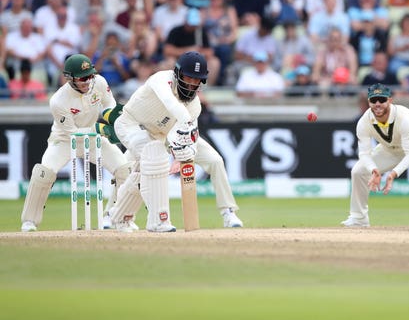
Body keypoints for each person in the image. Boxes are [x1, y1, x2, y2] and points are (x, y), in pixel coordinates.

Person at [108, 51, 243, 232]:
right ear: (178, 73)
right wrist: (185, 125)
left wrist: (182, 156)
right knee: (146, 164)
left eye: (197, 80)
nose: (191, 84)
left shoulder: (195, 105)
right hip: (133, 126)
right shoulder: (161, 80)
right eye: (189, 78)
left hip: (164, 135)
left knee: (215, 160)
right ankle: (147, 219)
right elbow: (170, 104)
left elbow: (189, 137)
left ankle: (228, 213)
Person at [20, 54, 131, 232]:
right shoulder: (58, 100)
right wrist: (101, 129)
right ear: (70, 79)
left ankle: (114, 217)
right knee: (43, 173)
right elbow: (72, 133)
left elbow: (109, 105)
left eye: (90, 76)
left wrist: (115, 121)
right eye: (82, 78)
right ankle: (29, 221)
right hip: (64, 140)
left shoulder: (99, 82)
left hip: (94, 139)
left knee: (125, 170)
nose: (88, 81)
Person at [341, 83, 409, 227]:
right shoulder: (363, 122)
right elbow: (364, 154)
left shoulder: (404, 117)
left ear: (390, 100)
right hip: (390, 149)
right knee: (358, 171)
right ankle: (359, 218)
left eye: (382, 99)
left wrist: (392, 174)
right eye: (374, 100)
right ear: (369, 102)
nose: (378, 104)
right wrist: (374, 170)